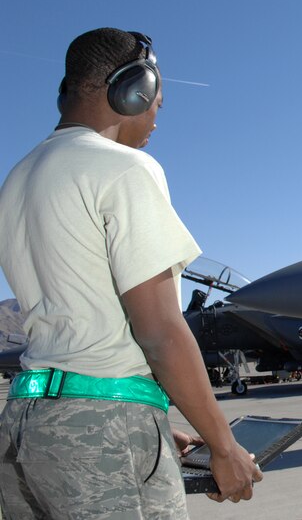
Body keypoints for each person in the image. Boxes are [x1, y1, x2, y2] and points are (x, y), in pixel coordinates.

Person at [0, 28, 261, 518]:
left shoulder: (18, 177)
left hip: (25, 424)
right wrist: (222, 446)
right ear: (131, 91)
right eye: (157, 104)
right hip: (102, 430)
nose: (157, 122)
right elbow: (160, 330)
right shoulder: (126, 168)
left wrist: (153, 415)